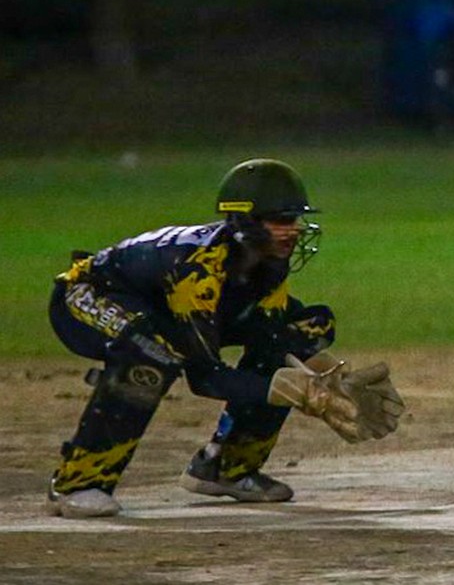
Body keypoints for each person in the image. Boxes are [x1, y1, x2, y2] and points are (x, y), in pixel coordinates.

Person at [45, 159, 405, 518]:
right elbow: (205, 376)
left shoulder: (268, 263)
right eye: (280, 220)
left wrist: (327, 378)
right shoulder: (197, 268)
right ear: (245, 221)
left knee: (310, 326)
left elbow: (273, 337)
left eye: (294, 219)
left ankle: (226, 466)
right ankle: (77, 482)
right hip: (89, 296)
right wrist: (292, 391)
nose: (293, 230)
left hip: (168, 311)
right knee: (151, 356)